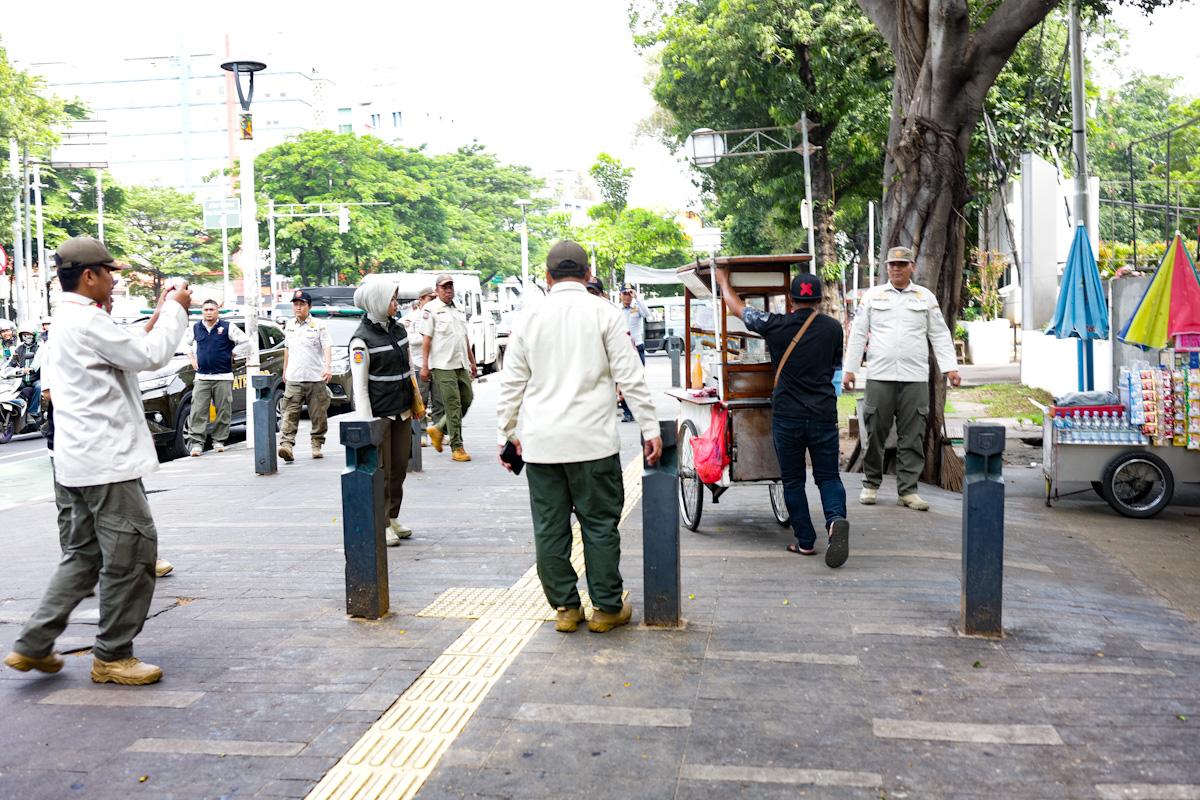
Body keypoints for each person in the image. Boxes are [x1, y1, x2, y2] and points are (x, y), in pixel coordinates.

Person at [4, 235, 190, 685]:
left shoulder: (70, 320)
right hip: (107, 462)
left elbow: (124, 349)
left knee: (83, 556)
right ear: (89, 277)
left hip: (75, 459)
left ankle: (33, 642)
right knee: (132, 555)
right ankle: (112, 655)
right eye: (109, 273)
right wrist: (177, 309)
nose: (113, 281)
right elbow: (149, 356)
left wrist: (159, 313)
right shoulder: (86, 321)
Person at [498, 240, 662, 634]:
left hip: (541, 445)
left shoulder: (528, 318)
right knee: (599, 525)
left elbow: (512, 383)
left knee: (550, 529)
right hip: (594, 444)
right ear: (588, 275)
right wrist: (650, 428)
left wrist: (507, 434)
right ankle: (606, 609)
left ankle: (566, 609)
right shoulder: (604, 313)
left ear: (547, 276)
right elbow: (631, 376)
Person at [716, 268, 849, 567]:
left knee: (793, 480)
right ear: (818, 299)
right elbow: (833, 366)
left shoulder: (777, 325)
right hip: (823, 413)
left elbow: (740, 310)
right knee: (828, 476)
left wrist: (724, 281)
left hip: (788, 415)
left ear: (790, 299)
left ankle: (804, 541)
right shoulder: (833, 328)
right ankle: (835, 520)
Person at [844, 246, 961, 511]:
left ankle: (908, 490)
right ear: (886, 268)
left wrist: (950, 368)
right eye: (892, 265)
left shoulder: (925, 297)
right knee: (875, 432)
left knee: (913, 435)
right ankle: (871, 484)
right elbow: (859, 334)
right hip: (879, 375)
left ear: (912, 267)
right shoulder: (872, 297)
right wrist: (850, 369)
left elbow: (940, 335)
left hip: (915, 377)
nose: (896, 269)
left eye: (902, 264)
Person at [350, 281, 415, 546]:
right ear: (377, 302)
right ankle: (381, 521)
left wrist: (415, 404)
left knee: (399, 468)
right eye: (392, 300)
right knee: (382, 471)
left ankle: (393, 515)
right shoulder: (361, 339)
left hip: (402, 410)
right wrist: (368, 425)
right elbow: (360, 386)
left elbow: (409, 368)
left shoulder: (398, 330)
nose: (396, 304)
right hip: (380, 415)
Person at [419, 273, 477, 462]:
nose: (448, 290)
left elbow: (464, 338)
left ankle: (438, 429)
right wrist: (425, 365)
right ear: (437, 290)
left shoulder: (458, 308)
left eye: (451, 286)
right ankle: (457, 446)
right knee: (453, 404)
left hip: (460, 363)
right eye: (444, 287)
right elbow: (426, 339)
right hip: (443, 365)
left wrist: (472, 361)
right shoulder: (431, 309)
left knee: (467, 398)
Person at [182, 299, 248, 456]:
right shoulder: (195, 327)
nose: (209, 312)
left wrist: (233, 353)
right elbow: (184, 344)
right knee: (198, 411)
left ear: (217, 311)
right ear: (202, 312)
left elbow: (246, 342)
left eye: (212, 309)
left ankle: (219, 441)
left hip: (223, 376)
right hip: (202, 377)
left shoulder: (227, 327)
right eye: (205, 310)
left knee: (223, 410)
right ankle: (197, 444)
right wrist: (191, 357)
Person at [278, 290, 332, 462]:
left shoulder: (318, 325)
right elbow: (287, 349)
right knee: (290, 414)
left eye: (302, 304)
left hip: (315, 378)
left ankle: (317, 444)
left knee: (318, 416)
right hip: (294, 378)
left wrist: (327, 367)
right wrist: (285, 370)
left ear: (309, 306)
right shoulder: (289, 325)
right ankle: (286, 445)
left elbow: (327, 347)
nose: (298, 307)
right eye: (295, 304)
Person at [402, 286, 440, 445]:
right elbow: (407, 338)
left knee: (439, 401)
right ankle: (422, 433)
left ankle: (439, 432)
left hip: (437, 362)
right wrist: (425, 337)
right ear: (422, 299)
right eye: (430, 298)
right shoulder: (413, 317)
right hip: (419, 362)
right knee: (421, 401)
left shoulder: (438, 314)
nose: (433, 301)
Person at [8, 322, 42, 417]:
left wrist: (31, 369)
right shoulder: (18, 349)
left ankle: (33, 412)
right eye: (24, 335)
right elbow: (13, 363)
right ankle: (13, 413)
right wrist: (7, 369)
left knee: (39, 387)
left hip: (35, 379)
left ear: (34, 335)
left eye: (30, 334)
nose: (27, 337)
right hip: (22, 379)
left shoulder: (39, 348)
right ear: (21, 336)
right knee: (9, 388)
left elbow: (39, 362)